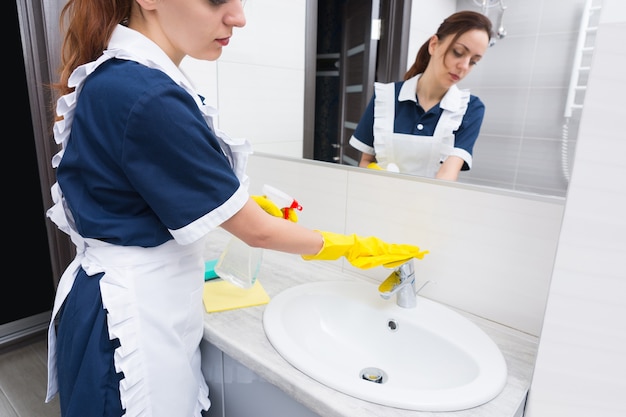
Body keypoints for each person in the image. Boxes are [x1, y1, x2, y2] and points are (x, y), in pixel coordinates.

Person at [43, 1, 428, 416]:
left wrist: (229, 204)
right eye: (215, 0)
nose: (238, 18)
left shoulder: (122, 78)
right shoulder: (146, 92)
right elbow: (256, 232)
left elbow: (135, 188)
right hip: (127, 319)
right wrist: (350, 245)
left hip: (113, 299)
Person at [349, 10, 492, 181]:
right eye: (458, 52)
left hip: (429, 204)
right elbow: (366, 161)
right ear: (434, 45)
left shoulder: (470, 108)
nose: (464, 66)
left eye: (474, 61)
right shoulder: (385, 97)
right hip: (379, 201)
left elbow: (447, 175)